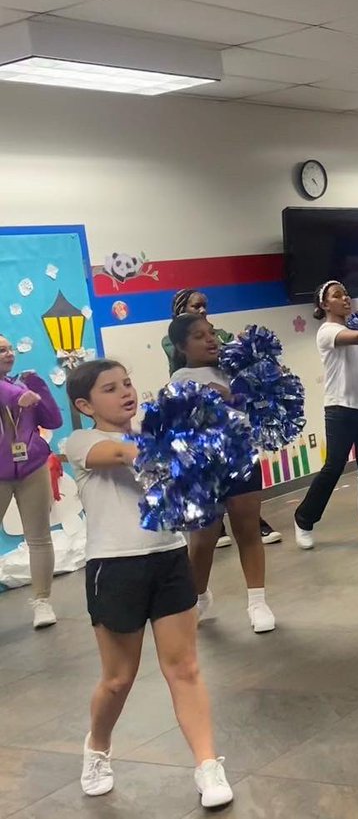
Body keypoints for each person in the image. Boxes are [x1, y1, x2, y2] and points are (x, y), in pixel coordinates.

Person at [65, 359, 233, 808]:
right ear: (85, 404)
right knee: (119, 679)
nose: (124, 392)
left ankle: (207, 764)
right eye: (109, 389)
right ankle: (97, 747)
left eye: (127, 383)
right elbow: (120, 455)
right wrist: (169, 448)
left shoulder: (158, 429)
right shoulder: (81, 441)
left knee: (185, 669)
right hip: (114, 568)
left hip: (169, 558)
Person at [168, 314, 275, 633]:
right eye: (199, 336)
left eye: (211, 333)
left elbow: (260, 404)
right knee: (204, 539)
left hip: (241, 456)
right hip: (204, 465)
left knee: (247, 529)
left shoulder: (233, 369)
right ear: (180, 345)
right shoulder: (180, 377)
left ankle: (257, 602)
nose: (210, 339)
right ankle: (198, 598)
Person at [162, 289, 281, 547]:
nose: (203, 310)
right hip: (204, 442)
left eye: (205, 306)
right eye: (196, 306)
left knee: (245, 511)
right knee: (204, 535)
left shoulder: (221, 341)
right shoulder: (172, 343)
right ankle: (214, 538)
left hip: (237, 444)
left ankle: (252, 526)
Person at [293, 281, 358, 550]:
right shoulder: (327, 331)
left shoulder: (355, 333)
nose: (346, 298)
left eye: (347, 294)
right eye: (337, 295)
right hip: (340, 407)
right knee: (334, 464)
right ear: (325, 305)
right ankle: (304, 518)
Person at [0, 334, 63, 629]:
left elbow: (53, 422)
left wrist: (39, 387)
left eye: (10, 348)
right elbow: (7, 396)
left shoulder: (21, 384)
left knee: (39, 537)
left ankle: (42, 601)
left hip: (32, 467)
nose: (8, 354)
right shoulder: (12, 390)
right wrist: (17, 396)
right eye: (1, 350)